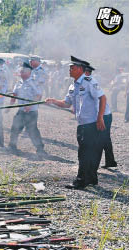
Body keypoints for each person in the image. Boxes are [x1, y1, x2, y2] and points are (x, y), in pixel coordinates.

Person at [45, 56, 107, 189]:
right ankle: (91, 178)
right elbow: (66, 103)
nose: (69, 70)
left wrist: (100, 117)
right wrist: (54, 101)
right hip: (82, 124)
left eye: (72, 68)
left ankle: (80, 181)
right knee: (88, 152)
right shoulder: (73, 85)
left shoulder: (89, 82)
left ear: (79, 69)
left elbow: (102, 98)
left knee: (84, 153)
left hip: (91, 124)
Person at [8, 62, 46, 155]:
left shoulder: (33, 82)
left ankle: (40, 149)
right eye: (21, 72)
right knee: (15, 128)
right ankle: (12, 146)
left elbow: (38, 95)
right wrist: (11, 103)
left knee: (32, 130)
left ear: (29, 72)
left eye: (23, 72)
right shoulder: (19, 82)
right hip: (21, 110)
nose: (21, 73)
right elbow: (15, 94)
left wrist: (30, 105)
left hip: (31, 111)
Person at [84, 65, 117, 169]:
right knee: (105, 139)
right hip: (100, 115)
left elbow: (102, 100)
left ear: (87, 73)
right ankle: (110, 162)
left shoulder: (92, 83)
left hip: (103, 116)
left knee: (98, 139)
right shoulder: (85, 83)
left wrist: (99, 118)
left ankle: (93, 166)